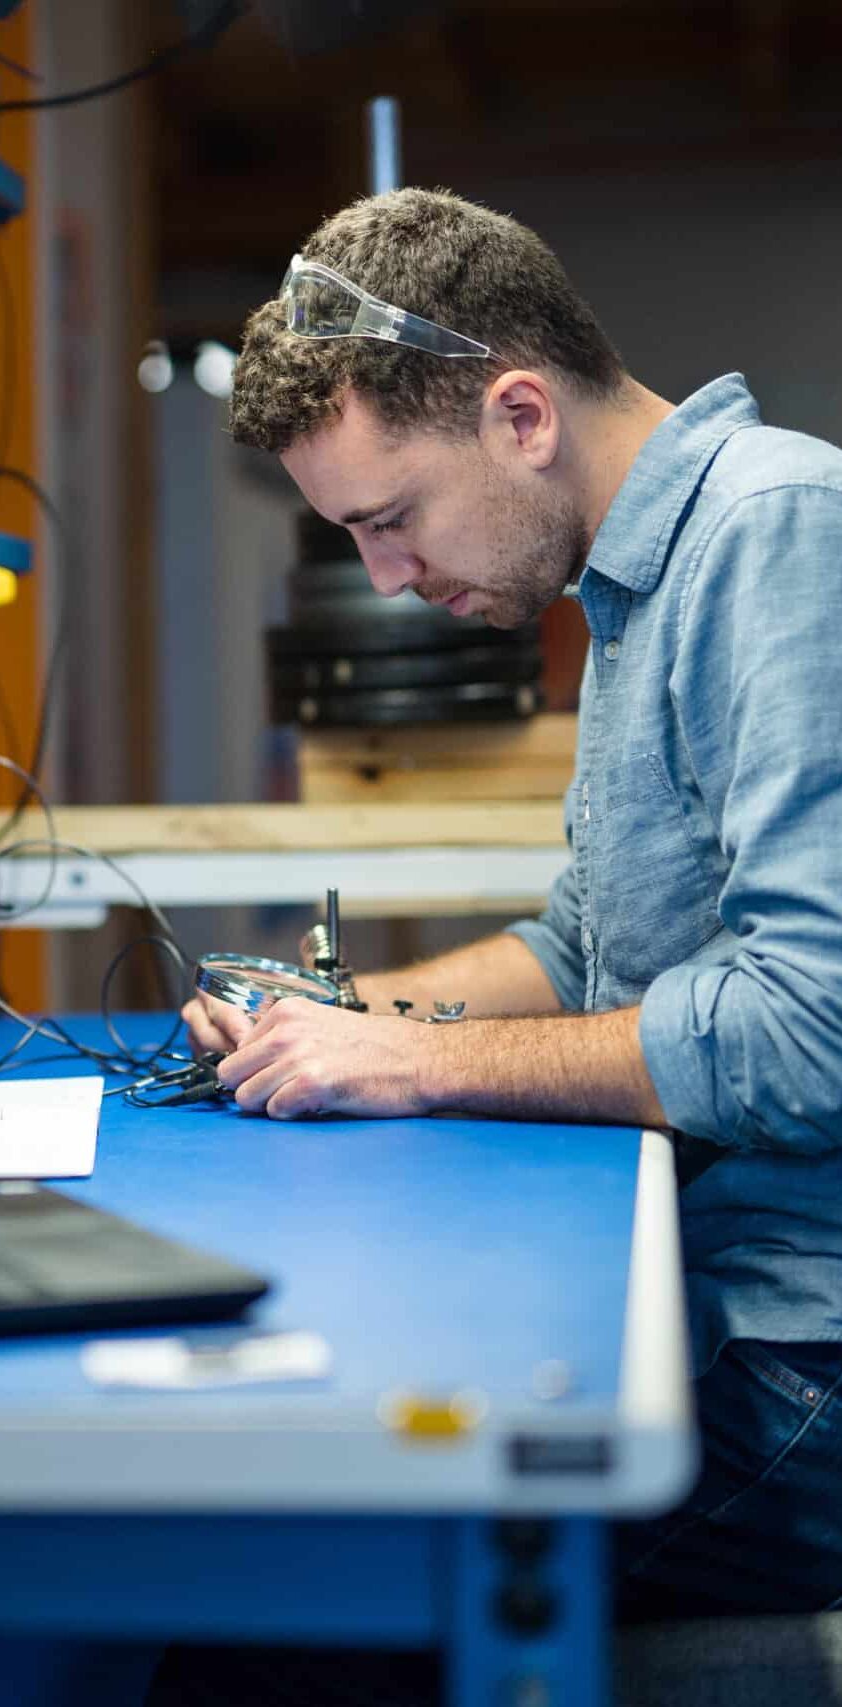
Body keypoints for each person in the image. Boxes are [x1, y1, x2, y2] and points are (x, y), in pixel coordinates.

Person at [159, 187, 842, 1700]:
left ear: (520, 414)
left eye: (389, 520)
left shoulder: (777, 535)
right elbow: (588, 943)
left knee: (274, 1622)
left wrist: (414, 1061)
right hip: (736, 1304)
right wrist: (330, 1011)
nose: (387, 577)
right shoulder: (629, 589)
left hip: (811, 1364)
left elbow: (811, 1030)